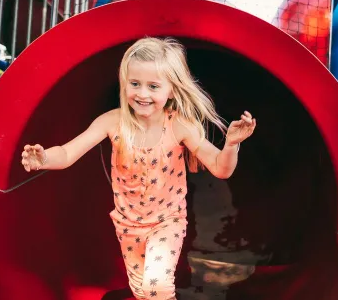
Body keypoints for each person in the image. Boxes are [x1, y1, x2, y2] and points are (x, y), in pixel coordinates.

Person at [21, 37, 256, 299]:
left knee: (156, 286)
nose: (142, 94)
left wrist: (231, 144)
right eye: (135, 84)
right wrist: (43, 159)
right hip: (128, 225)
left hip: (167, 222)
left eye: (153, 86)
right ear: (124, 83)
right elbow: (67, 153)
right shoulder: (112, 122)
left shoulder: (179, 125)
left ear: (171, 90)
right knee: (142, 292)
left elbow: (220, 168)